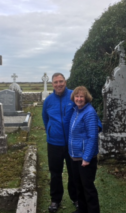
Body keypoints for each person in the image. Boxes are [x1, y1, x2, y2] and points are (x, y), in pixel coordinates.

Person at [42, 73, 78, 212]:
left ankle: (75, 198)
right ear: (52, 84)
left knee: (73, 172)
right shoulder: (49, 100)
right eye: (56, 82)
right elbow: (45, 117)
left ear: (65, 81)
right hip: (54, 143)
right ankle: (55, 200)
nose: (59, 84)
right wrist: (50, 130)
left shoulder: (73, 96)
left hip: (71, 143)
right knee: (55, 173)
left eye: (61, 81)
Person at [69, 86, 101, 213]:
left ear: (86, 98)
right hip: (75, 155)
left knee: (88, 187)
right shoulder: (76, 110)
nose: (79, 99)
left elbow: (92, 136)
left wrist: (86, 158)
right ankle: (82, 210)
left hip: (85, 157)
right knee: (78, 186)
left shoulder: (89, 112)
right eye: (77, 96)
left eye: (81, 96)